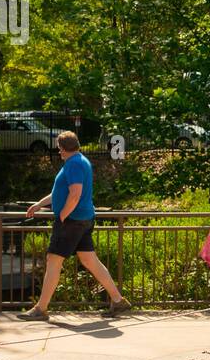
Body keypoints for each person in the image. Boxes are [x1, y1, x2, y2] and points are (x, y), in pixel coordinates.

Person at [17, 130, 131, 321]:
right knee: (89, 260)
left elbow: (75, 194)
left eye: (59, 148)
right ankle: (118, 301)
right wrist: (39, 204)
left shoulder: (74, 164)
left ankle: (40, 309)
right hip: (83, 219)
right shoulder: (79, 161)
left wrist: (62, 215)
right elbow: (60, 192)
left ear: (62, 148)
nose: (58, 152)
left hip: (72, 221)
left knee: (53, 260)